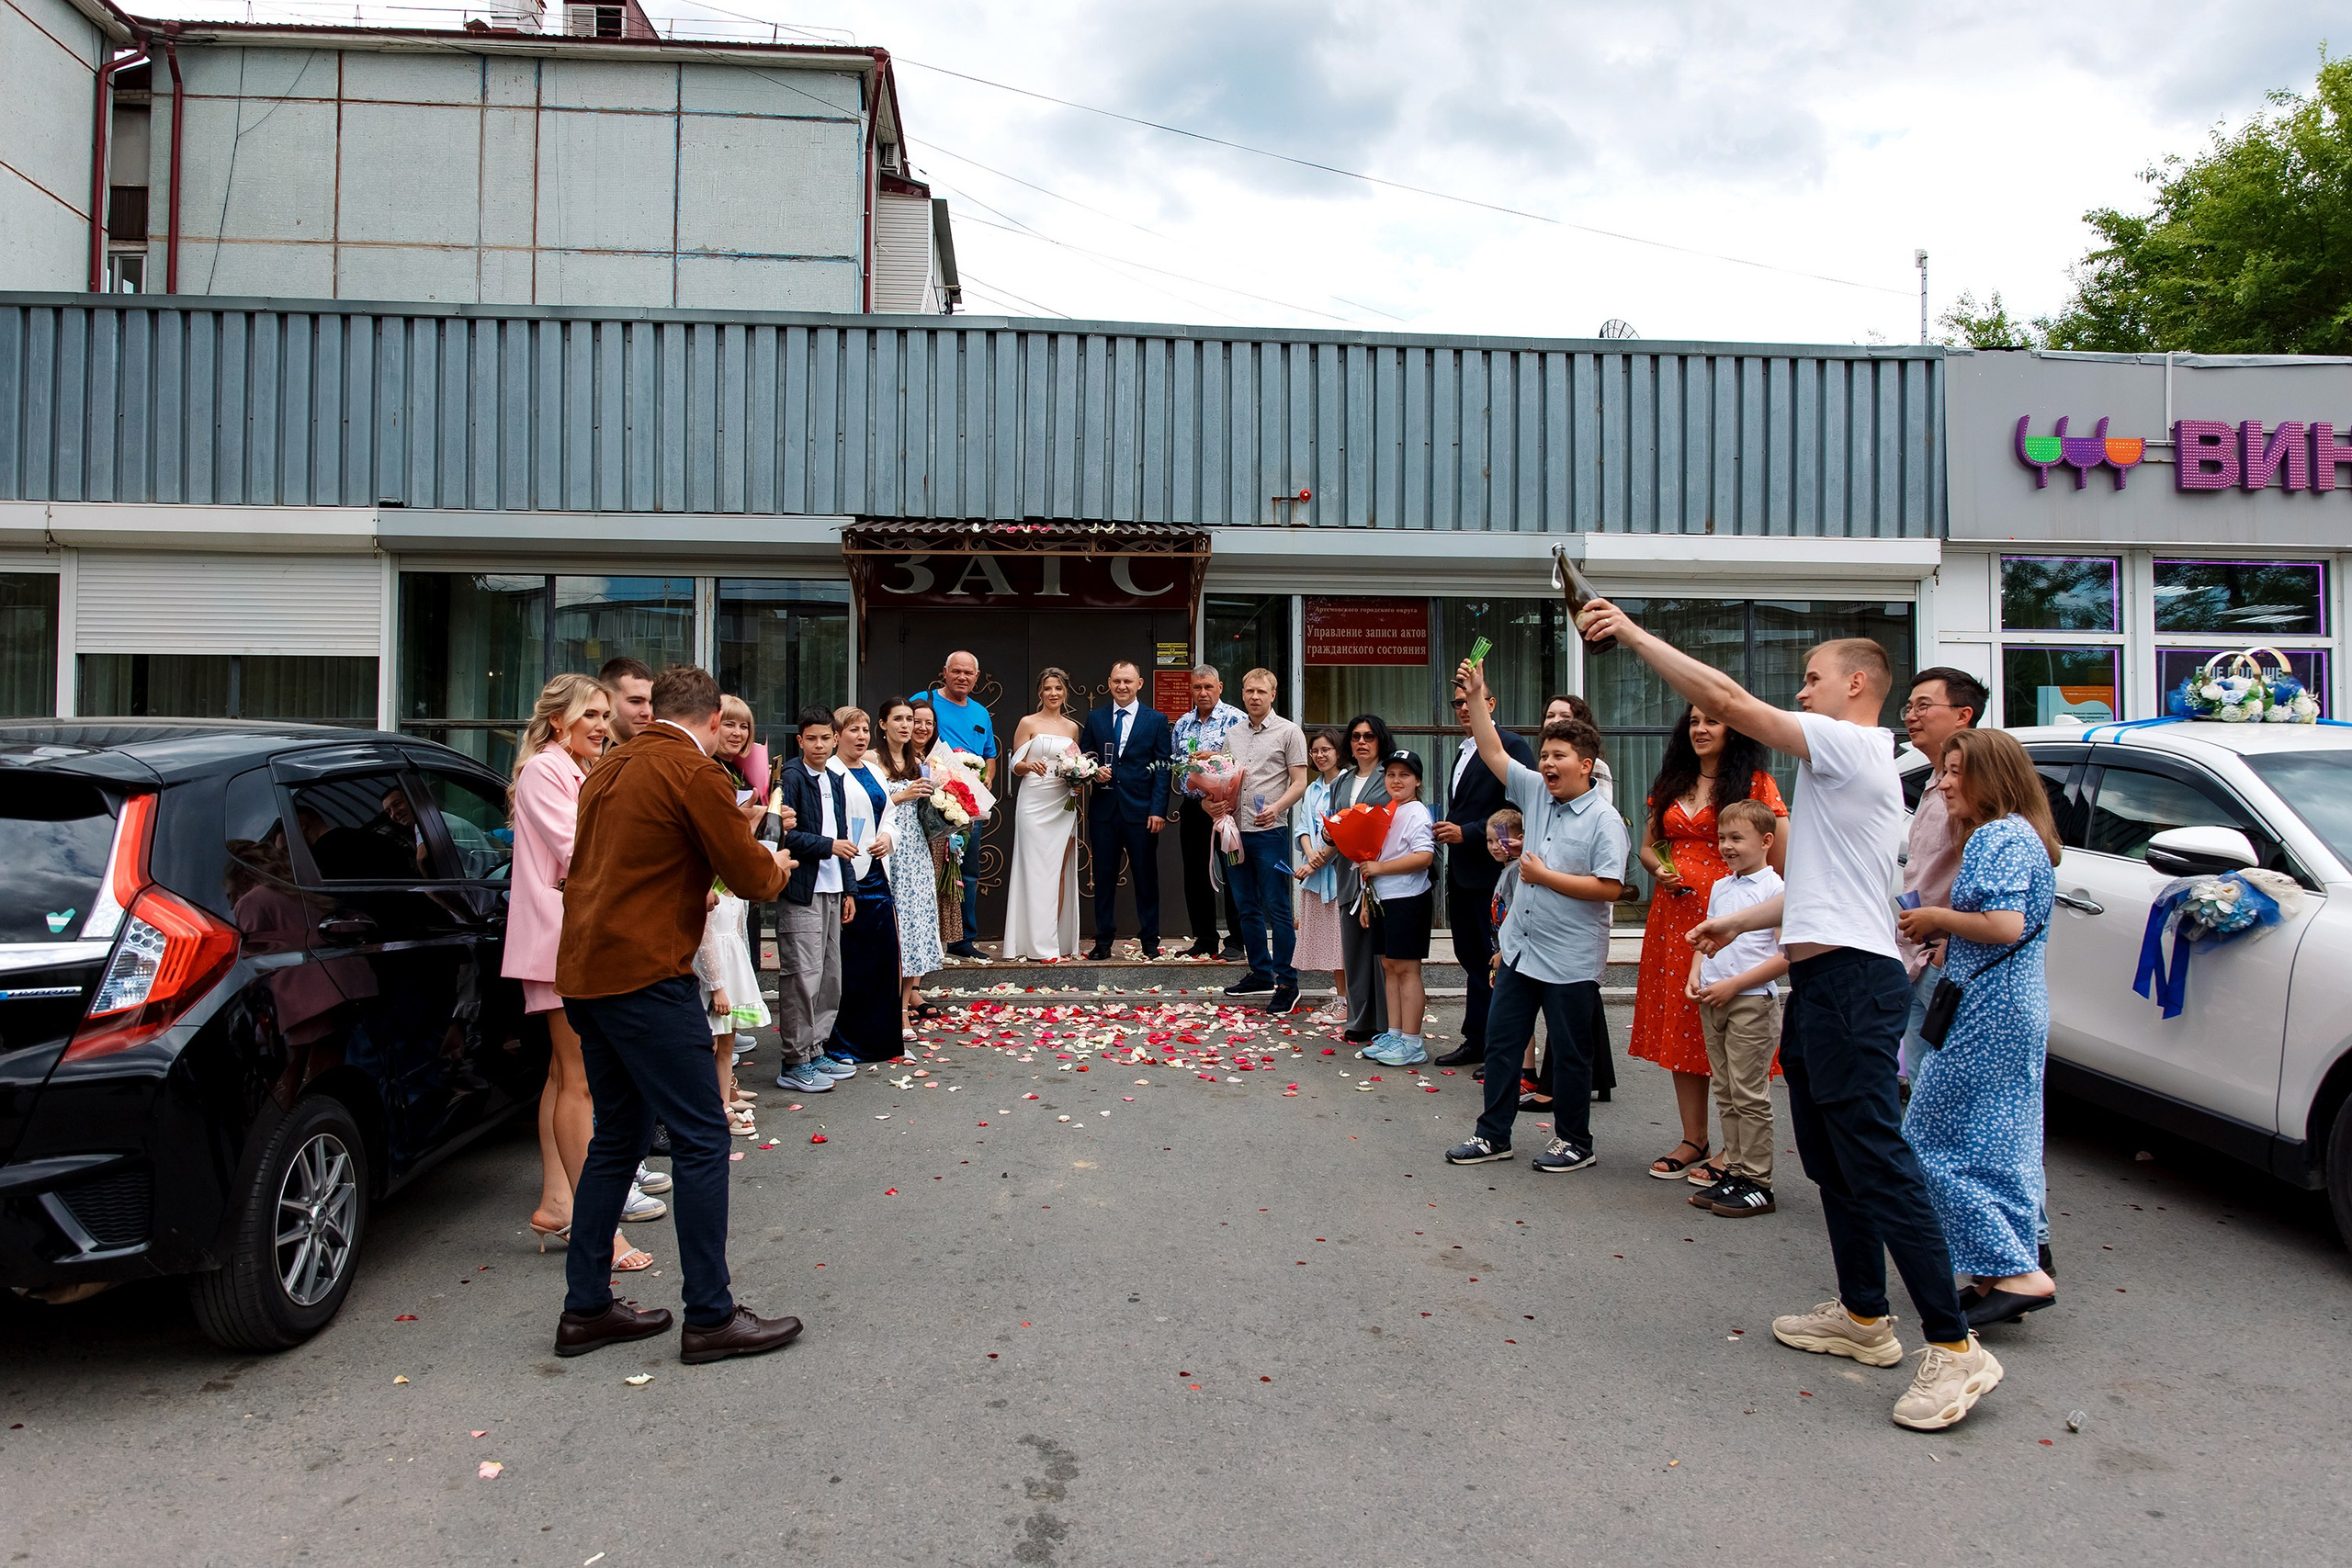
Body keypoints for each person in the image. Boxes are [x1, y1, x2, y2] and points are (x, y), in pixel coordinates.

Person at [1583, 597, 2002, 1434]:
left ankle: (1956, 1349)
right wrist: (1740, 919)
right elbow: (1826, 887)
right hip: (1821, 980)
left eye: (1812, 679)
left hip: (1855, 986)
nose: (1801, 692)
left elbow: (1734, 705)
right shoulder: (1837, 772)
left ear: (1856, 684)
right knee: (1835, 1163)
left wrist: (1629, 634)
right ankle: (1864, 1317)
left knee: (1877, 1160)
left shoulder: (1853, 742)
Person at [551, 663, 798, 1365]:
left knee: (618, 1137)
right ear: (715, 720)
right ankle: (711, 1316)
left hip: (587, 973)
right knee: (699, 1136)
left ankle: (587, 1307)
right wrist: (776, 862)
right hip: (645, 975)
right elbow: (748, 875)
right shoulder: (693, 772)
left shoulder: (608, 766)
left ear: (652, 709)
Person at [1897, 728, 2060, 1331]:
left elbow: (2004, 924)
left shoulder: (1998, 834)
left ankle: (2019, 1273)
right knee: (2001, 1145)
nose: (1941, 782)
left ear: (1989, 776)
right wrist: (1950, 934)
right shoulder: (2020, 834)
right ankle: (2000, 1275)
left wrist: (1937, 917)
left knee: (1928, 1136)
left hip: (1989, 1009)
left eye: (1953, 771)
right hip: (2007, 1001)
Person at [1444, 662, 1626, 1174]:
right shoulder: (1534, 794)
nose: (1547, 763)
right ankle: (1492, 1135)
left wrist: (1545, 877)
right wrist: (1477, 696)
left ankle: (1574, 1141)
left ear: (1586, 765)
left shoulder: (1604, 820)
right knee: (1502, 1045)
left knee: (1570, 1054)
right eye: (1544, 755)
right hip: (1521, 951)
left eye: (1559, 756)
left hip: (1570, 957)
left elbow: (1610, 887)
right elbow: (1492, 749)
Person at [505, 673, 655, 1273]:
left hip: (568, 936)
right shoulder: (547, 770)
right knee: (581, 1083)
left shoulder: (575, 769)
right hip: (558, 940)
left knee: (561, 1076)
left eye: (603, 713)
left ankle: (557, 1202)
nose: (600, 724)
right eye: (588, 714)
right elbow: (581, 850)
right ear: (558, 719)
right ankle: (603, 1230)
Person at [1628, 706, 1788, 1183]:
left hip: (1736, 921)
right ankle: (1693, 1137)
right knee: (1682, 1022)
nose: (1701, 729)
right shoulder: (1674, 779)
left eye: (1712, 721)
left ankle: (1733, 1149)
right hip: (1675, 920)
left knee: (1734, 1028)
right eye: (1694, 721)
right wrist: (1660, 870)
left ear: (1732, 729)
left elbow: (1777, 860)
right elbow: (1649, 845)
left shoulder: (1756, 784)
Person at [1683, 798, 1788, 1218]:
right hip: (1715, 998)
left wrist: (1735, 986)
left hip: (1749, 1001)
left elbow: (1786, 956)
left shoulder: (1775, 890)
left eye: (1736, 838)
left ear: (1766, 841)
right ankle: (1735, 1169)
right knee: (1726, 1091)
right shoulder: (1721, 886)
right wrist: (1697, 973)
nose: (1726, 846)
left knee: (1749, 1093)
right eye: (1722, 837)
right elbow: (1708, 938)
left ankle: (1758, 1180)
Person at [1432, 677, 1537, 1068]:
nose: (1463, 709)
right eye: (1456, 703)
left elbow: (1520, 810)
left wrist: (1469, 832)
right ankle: (1476, 1038)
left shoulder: (1510, 747)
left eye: (1469, 701)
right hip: (1462, 872)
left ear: (1490, 704)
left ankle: (1500, 1049)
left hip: (1495, 870)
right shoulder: (1462, 750)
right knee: (1471, 957)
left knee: (1496, 960)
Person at [1897, 669, 1986, 1086]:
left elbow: (1987, 882)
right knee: (1920, 1078)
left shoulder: (1974, 791)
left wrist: (1947, 944)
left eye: (1924, 706)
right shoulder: (1933, 781)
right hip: (1918, 955)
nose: (1912, 716)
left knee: (1940, 1083)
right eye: (1909, 707)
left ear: (1963, 715)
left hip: (1946, 958)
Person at [772, 709, 856, 1095]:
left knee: (829, 975)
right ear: (800, 741)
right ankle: (794, 1059)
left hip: (832, 888)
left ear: (834, 739)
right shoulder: (791, 778)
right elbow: (785, 836)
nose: (820, 745)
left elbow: (844, 835)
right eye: (812, 739)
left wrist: (850, 888)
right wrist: (828, 847)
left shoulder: (835, 779)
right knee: (801, 976)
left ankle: (816, 1048)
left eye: (826, 738)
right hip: (801, 888)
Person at [1216, 669, 1310, 1014]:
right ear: (1242, 694)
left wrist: (1277, 808)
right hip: (1233, 832)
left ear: (1273, 694)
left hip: (1270, 832)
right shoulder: (1232, 734)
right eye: (1249, 690)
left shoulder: (1289, 732)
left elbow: (1299, 782)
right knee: (1245, 906)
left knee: (1277, 907)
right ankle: (1260, 971)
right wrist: (1216, 801)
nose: (1254, 697)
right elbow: (1223, 777)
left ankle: (1287, 981)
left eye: (1261, 691)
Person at [1078, 660, 1175, 960]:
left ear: (1139, 684)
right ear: (1109, 682)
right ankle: (1103, 941)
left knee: (1145, 878)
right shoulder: (1096, 718)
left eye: (1128, 682)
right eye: (1117, 681)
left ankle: (1149, 941)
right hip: (1104, 810)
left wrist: (1158, 810)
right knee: (1104, 878)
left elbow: (1163, 769)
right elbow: (1084, 757)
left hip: (1142, 812)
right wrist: (1094, 771)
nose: (1122, 686)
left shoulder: (1156, 720)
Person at [827, 706, 904, 1061]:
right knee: (852, 962)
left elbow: (889, 815)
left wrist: (888, 837)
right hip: (848, 874)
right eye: (851, 730)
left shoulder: (873, 769)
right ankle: (846, 1042)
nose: (860, 736)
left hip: (877, 872)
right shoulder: (829, 772)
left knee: (883, 958)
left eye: (863, 730)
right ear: (836, 735)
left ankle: (881, 1039)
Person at [1357, 750, 1438, 1066]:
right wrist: (1367, 899)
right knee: (1389, 967)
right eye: (1391, 774)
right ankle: (1395, 1033)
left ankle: (1413, 1041)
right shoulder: (1388, 810)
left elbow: (1424, 857)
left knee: (1406, 969)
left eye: (1404, 775)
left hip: (1408, 898)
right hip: (1382, 899)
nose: (1396, 780)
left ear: (1417, 781)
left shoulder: (1416, 812)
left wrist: (1379, 869)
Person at [1004, 669, 1086, 962]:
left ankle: (1055, 941)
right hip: (1034, 801)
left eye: (1058, 688)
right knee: (1034, 870)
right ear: (1040, 692)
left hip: (1061, 802)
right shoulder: (1028, 723)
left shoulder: (1073, 728)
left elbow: (1076, 764)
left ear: (1066, 693)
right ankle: (1033, 943)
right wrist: (1029, 766)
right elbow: (1015, 764)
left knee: (1058, 872)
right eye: (1048, 688)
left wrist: (1079, 777)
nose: (1053, 693)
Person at [876, 697, 944, 1033]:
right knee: (892, 927)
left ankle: (903, 1009)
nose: (906, 726)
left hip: (916, 851)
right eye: (899, 719)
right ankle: (885, 1005)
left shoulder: (920, 761)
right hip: (886, 851)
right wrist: (901, 796)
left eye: (909, 719)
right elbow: (866, 804)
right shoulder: (873, 761)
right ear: (883, 724)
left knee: (914, 929)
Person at [1170, 665, 1250, 958]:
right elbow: (1178, 766)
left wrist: (1216, 757)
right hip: (1194, 808)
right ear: (1190, 689)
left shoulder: (1237, 720)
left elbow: (1244, 762)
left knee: (1233, 871)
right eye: (1197, 688)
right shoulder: (1182, 723)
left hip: (1228, 808)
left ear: (1220, 687)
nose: (1202, 693)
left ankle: (1237, 940)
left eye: (1208, 687)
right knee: (1195, 874)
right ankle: (1204, 938)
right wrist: (1197, 793)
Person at [1330, 715, 1396, 1043]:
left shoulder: (1391, 776)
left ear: (1380, 740)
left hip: (1384, 872)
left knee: (1382, 952)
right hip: (1348, 873)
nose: (1361, 742)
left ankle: (1387, 1022)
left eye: (1369, 736)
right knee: (1355, 949)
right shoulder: (1341, 782)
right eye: (1355, 736)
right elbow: (1332, 825)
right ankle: (1359, 1020)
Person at [928, 651, 996, 959]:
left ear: (977, 677)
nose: (962, 677)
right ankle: (927, 936)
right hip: (931, 801)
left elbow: (990, 755)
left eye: (968, 673)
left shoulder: (981, 712)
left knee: (967, 871)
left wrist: (987, 780)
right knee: (929, 869)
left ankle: (962, 939)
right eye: (956, 671)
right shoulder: (925, 700)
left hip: (968, 804)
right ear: (944, 672)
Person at [1291, 728, 1350, 1025]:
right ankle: (1342, 998)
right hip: (1316, 874)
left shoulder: (1346, 785)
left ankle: (1347, 1001)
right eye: (1315, 751)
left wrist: (1317, 860)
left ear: (1338, 752)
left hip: (1338, 875)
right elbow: (1302, 828)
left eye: (1326, 749)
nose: (1320, 755)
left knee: (1342, 942)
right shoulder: (1313, 788)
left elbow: (1344, 831)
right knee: (1331, 942)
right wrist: (1310, 854)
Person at [910, 699, 965, 957]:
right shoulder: (896, 757)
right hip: (911, 838)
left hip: (936, 837)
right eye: (915, 721)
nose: (922, 727)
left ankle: (932, 949)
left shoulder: (936, 758)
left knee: (937, 891)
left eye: (928, 723)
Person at [1543, 694, 1614, 803]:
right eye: (1550, 716)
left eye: (1565, 716)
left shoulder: (1596, 766)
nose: (1555, 720)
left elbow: (1601, 808)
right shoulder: (1544, 763)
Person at [598, 656, 654, 744]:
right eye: (635, 701)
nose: (648, 712)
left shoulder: (658, 752)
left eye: (651, 702)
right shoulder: (587, 755)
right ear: (607, 700)